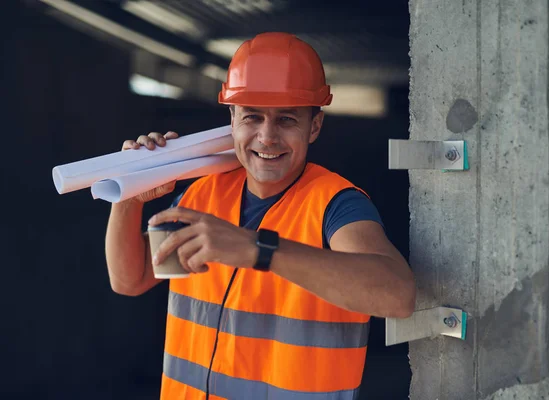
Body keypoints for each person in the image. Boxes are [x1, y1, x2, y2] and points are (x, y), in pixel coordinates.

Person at [105, 32, 416, 400]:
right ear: (232, 118)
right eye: (252, 117)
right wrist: (128, 196)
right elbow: (132, 278)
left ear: (314, 126)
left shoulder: (336, 204)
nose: (267, 137)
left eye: (286, 119)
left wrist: (258, 249)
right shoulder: (205, 193)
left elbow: (397, 297)